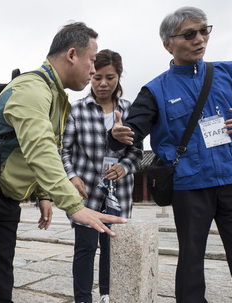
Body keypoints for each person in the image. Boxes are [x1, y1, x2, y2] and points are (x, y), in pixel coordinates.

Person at [0, 22, 127, 302]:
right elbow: (39, 148)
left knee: (2, 271)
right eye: (91, 60)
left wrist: (43, 194)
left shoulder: (57, 96)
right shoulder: (33, 89)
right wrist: (74, 206)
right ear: (71, 55)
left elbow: (50, 146)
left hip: (5, 190)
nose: (93, 70)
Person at [110, 7, 232, 303]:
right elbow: (132, 130)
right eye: (189, 34)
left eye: (204, 30)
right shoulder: (155, 89)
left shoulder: (229, 72)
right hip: (190, 184)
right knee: (191, 258)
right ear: (168, 44)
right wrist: (117, 134)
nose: (199, 39)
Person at [61, 49, 142, 303]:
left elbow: (138, 151)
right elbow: (63, 150)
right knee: (84, 248)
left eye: (110, 77)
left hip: (119, 192)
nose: (103, 83)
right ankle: (83, 298)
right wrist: (72, 176)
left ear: (119, 76)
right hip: (86, 192)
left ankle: (108, 294)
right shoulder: (77, 110)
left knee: (112, 249)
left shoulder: (131, 110)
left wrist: (125, 167)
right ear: (91, 76)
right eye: (97, 77)